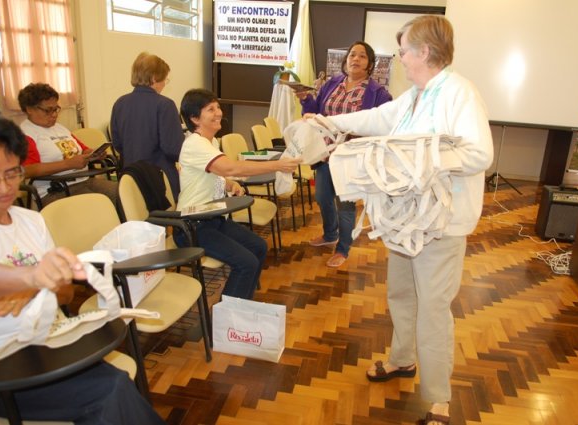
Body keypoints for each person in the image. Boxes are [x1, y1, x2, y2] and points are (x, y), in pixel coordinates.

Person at [306, 17, 493, 425]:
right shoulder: (416, 95)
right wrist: (329, 122)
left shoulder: (460, 93)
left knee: (433, 309)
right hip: (405, 219)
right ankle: (402, 360)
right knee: (401, 297)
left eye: (405, 50)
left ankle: (439, 400)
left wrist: (419, 162)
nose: (401, 58)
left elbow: (480, 155)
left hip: (439, 225)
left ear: (424, 52)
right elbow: (378, 118)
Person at [0, 110, 165, 424]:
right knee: (111, 391)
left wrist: (32, 288)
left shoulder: (31, 221)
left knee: (114, 388)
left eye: (13, 173)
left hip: (49, 346)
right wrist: (33, 278)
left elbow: (65, 296)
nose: (3, 187)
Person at [177, 89, 300, 299]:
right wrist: (278, 165)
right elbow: (230, 167)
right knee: (246, 263)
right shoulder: (195, 144)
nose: (218, 113)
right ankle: (228, 318)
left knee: (259, 247)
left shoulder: (211, 142)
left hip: (212, 218)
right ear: (195, 118)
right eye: (210, 109)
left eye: (217, 107)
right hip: (192, 225)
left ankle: (242, 304)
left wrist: (228, 183)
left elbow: (214, 174)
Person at [297, 41, 392, 268]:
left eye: (361, 56)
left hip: (351, 158)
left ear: (370, 65)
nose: (355, 59)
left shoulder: (377, 93)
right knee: (322, 197)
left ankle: (343, 249)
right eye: (352, 55)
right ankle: (330, 234)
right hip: (325, 153)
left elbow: (383, 122)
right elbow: (316, 114)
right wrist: (305, 99)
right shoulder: (333, 83)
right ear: (346, 59)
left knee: (346, 204)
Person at [18, 83, 118, 207]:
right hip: (55, 190)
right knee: (97, 206)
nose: (54, 114)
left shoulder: (60, 128)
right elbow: (28, 170)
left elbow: (83, 150)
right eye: (48, 110)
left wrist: (94, 154)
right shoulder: (25, 133)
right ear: (29, 109)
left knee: (124, 195)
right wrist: (68, 164)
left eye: (56, 109)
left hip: (84, 180)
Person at [110, 52, 184, 197]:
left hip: (131, 177)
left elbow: (117, 143)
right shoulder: (165, 105)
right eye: (165, 79)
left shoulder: (120, 103)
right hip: (160, 179)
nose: (164, 84)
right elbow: (173, 148)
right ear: (154, 78)